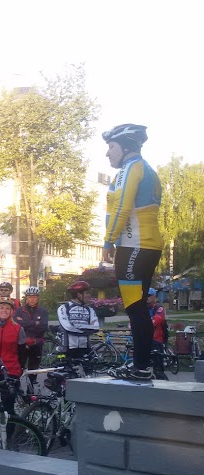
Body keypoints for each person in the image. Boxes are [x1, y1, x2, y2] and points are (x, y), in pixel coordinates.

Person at [102, 124, 162, 381]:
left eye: (111, 147)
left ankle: (141, 367)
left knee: (134, 308)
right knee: (139, 308)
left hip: (134, 247)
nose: (107, 153)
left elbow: (121, 208)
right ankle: (142, 365)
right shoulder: (147, 169)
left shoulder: (130, 168)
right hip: (147, 246)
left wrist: (108, 241)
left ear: (126, 147)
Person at [13, 286, 49, 387]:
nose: (32, 299)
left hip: (36, 343)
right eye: (29, 297)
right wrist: (34, 323)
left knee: (34, 368)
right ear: (26, 298)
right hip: (22, 343)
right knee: (19, 366)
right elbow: (17, 325)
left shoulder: (43, 311)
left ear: (38, 298)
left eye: (34, 297)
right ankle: (16, 386)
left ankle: (32, 388)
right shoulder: (19, 310)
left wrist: (25, 323)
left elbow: (43, 327)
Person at [57, 280, 100, 360]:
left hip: (85, 347)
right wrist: (87, 328)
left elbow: (96, 327)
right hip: (68, 347)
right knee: (69, 367)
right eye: (87, 293)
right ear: (79, 294)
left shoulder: (90, 310)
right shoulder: (64, 308)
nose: (89, 296)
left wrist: (76, 326)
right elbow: (67, 327)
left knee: (87, 367)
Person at [147, 288, 168, 379]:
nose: (146, 298)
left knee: (158, 368)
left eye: (149, 296)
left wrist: (142, 323)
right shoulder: (143, 309)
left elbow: (155, 322)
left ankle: (162, 381)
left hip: (157, 340)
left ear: (154, 297)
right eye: (145, 296)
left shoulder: (159, 309)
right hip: (145, 340)